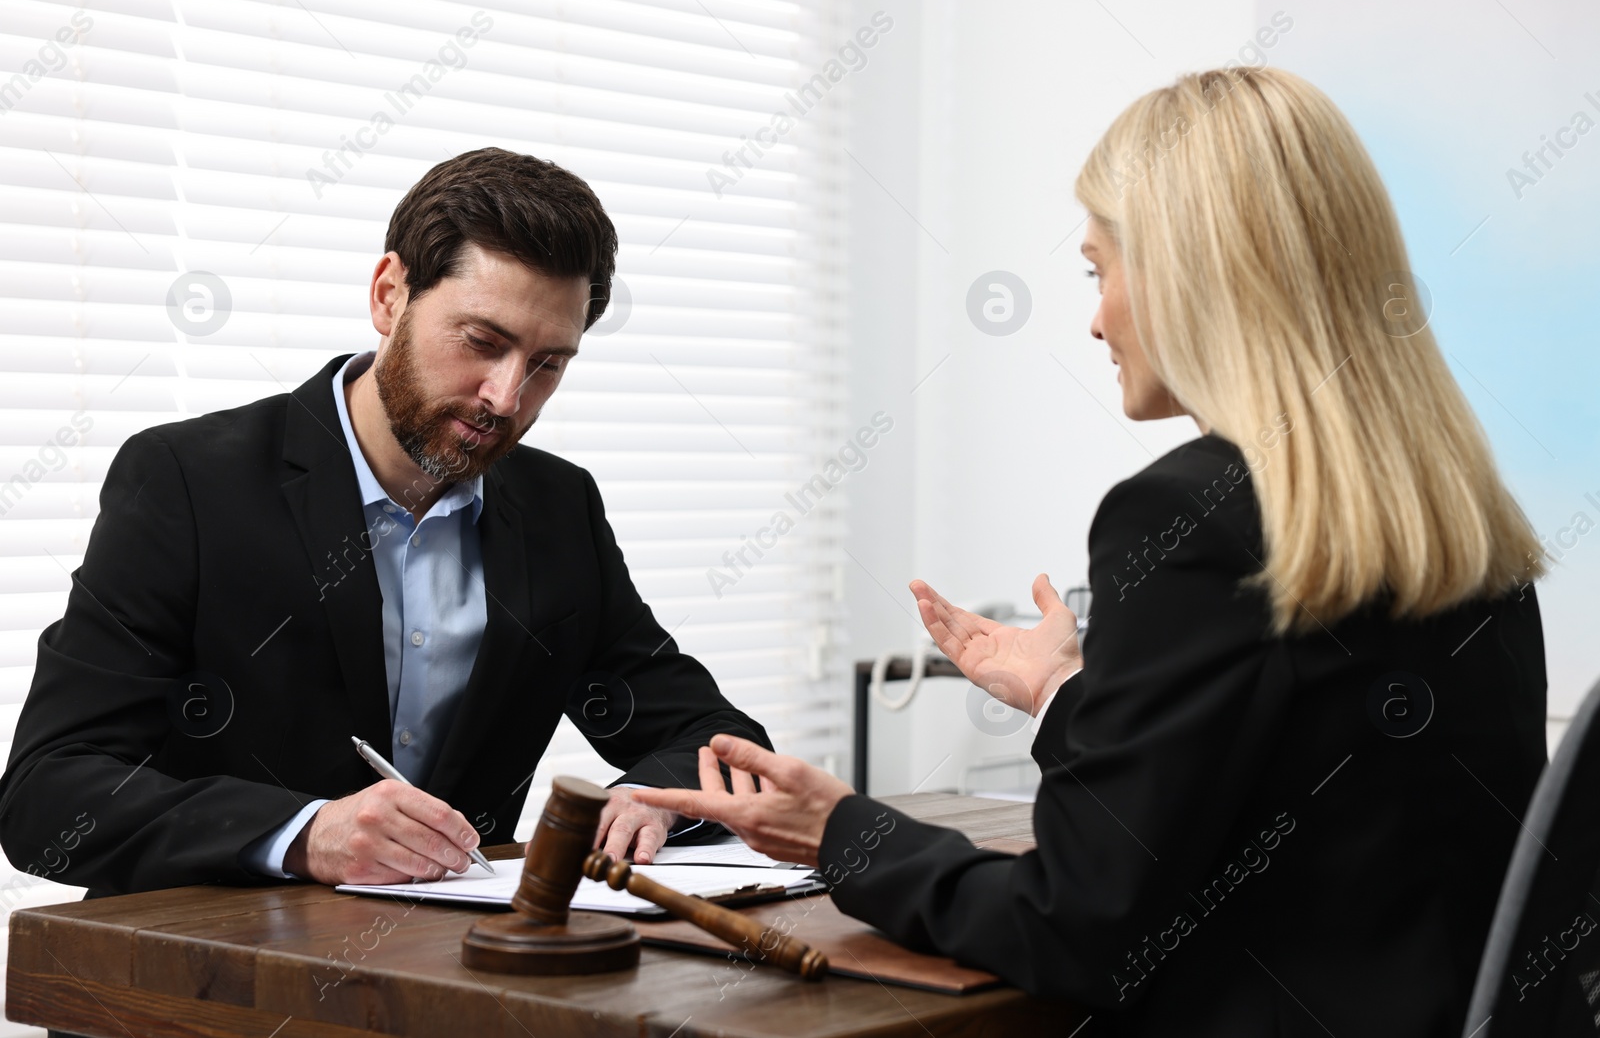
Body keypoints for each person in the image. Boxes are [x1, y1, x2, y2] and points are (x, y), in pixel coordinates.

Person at [635, 68, 1549, 1035]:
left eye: (1099, 269)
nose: (1097, 317)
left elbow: (1079, 924)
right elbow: (1296, 793)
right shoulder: (1449, 514)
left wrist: (843, 834)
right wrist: (1065, 693)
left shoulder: (1190, 513)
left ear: (1197, 271)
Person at [0, 147, 769, 896]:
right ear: (388, 294)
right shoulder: (189, 482)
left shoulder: (558, 509)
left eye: (547, 364)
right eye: (483, 342)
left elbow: (719, 743)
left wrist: (653, 797)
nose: (506, 397)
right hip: (201, 994)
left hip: (444, 988)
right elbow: (48, 795)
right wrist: (303, 834)